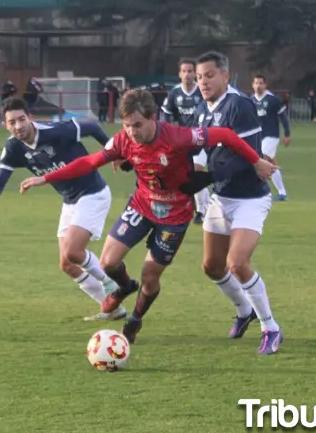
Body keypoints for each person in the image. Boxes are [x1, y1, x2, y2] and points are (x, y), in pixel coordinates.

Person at [19, 88, 276, 345]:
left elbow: (226, 135)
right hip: (142, 206)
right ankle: (126, 287)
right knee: (108, 263)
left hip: (174, 217)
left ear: (153, 118)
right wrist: (46, 177)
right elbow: (89, 162)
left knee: (150, 276)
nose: (132, 131)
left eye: (138, 125)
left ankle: (135, 320)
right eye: (127, 125)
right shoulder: (124, 140)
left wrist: (256, 161)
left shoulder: (179, 137)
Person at [0, 97, 122, 321]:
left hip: (93, 193)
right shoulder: (13, 148)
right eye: (12, 122)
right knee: (67, 264)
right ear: (5, 125)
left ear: (30, 118)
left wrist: (113, 152)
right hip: (70, 200)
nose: (18, 126)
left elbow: (92, 127)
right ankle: (113, 309)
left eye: (21, 119)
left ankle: (112, 285)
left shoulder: (56, 131)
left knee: (74, 251)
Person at [195, 52, 284, 355]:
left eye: (209, 75)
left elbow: (247, 157)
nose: (203, 82)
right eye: (199, 77)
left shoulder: (239, 105)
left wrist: (205, 178)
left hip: (250, 199)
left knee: (237, 263)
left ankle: (270, 328)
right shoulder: (203, 110)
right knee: (211, 266)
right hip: (221, 199)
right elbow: (201, 156)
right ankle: (243, 310)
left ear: (225, 76)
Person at [160, 58, 208, 223]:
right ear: (180, 74)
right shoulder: (174, 93)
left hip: (201, 140)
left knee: (195, 170)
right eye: (184, 71)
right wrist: (167, 132)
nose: (187, 75)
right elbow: (166, 113)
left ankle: (201, 211)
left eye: (190, 71)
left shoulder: (202, 92)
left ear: (195, 73)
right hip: (182, 142)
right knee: (187, 175)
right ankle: (201, 206)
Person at [251, 74, 290, 200]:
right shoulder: (250, 101)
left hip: (271, 136)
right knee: (271, 164)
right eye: (256, 83)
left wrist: (287, 134)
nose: (258, 86)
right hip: (258, 137)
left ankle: (257, 191)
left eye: (261, 83)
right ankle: (282, 193)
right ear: (253, 85)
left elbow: (283, 117)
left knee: (261, 160)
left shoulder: (272, 100)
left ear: (265, 85)